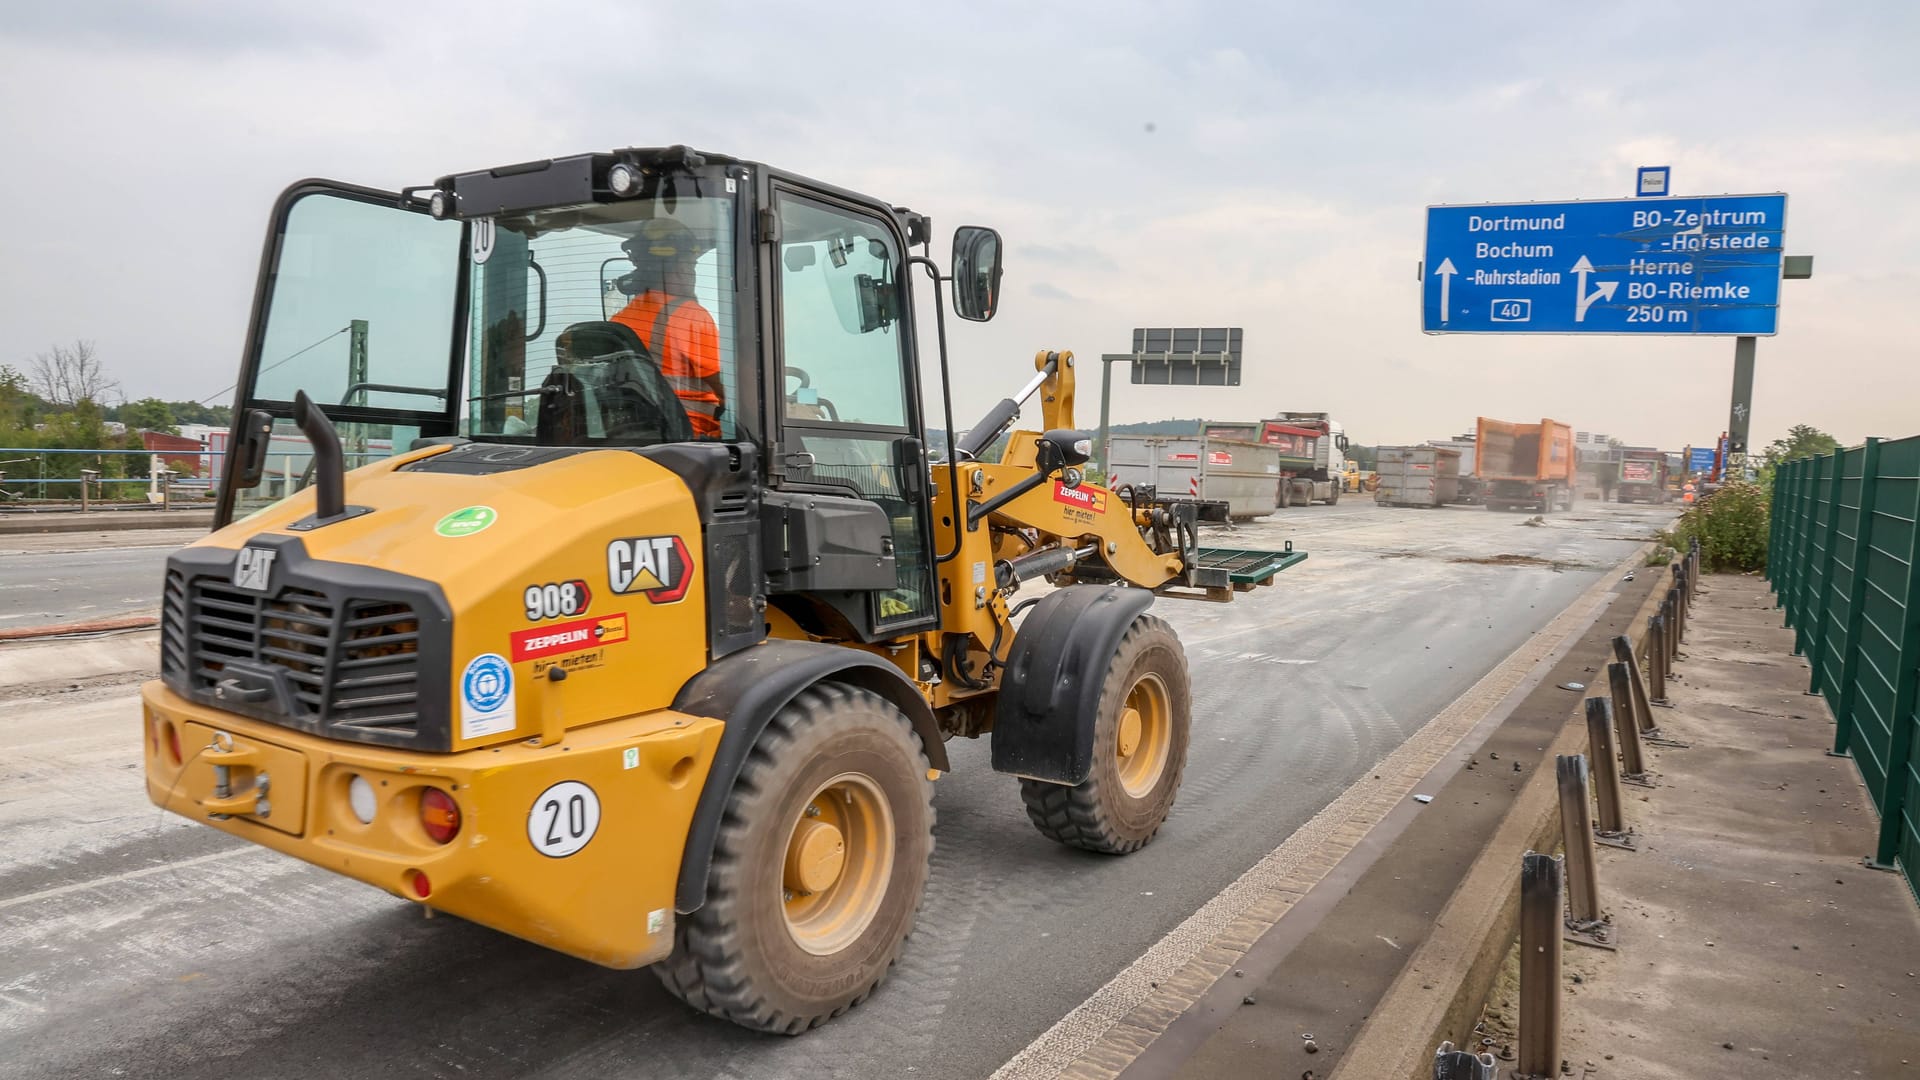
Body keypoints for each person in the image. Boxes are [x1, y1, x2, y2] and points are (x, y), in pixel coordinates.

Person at [611, 217, 726, 437]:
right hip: (692, 436)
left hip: (638, 431)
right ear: (682, 268)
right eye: (691, 264)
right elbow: (727, 390)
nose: (691, 272)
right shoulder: (690, 315)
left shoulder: (621, 319)